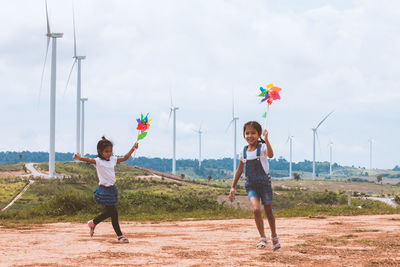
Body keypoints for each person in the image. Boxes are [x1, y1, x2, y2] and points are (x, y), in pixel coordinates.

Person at [73, 136, 138, 243]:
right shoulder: (98, 161)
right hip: (104, 190)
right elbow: (89, 159)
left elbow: (125, 158)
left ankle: (93, 222)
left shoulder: (113, 159)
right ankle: (120, 236)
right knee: (113, 213)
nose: (109, 153)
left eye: (110, 151)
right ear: (100, 151)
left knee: (111, 212)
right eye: (106, 151)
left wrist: (133, 148)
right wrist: (79, 158)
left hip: (112, 189)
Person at [228, 121, 281, 250]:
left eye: (253, 133)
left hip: (264, 185)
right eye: (247, 133)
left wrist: (267, 140)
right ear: (243, 135)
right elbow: (240, 170)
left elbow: (271, 155)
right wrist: (233, 187)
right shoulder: (243, 151)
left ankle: (274, 236)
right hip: (251, 185)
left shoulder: (262, 148)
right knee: (256, 210)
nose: (250, 135)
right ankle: (263, 237)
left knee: (269, 213)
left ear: (258, 134)